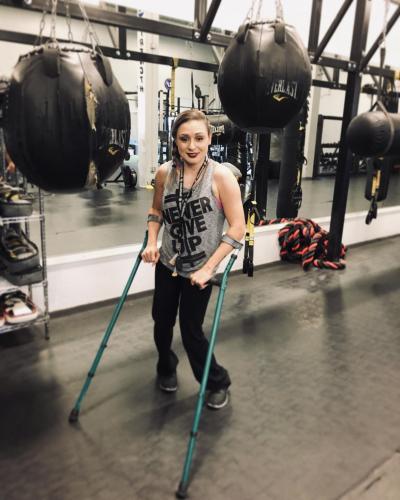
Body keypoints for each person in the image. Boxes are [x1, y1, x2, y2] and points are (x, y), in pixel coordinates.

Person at [142, 109, 245, 410]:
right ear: (175, 140)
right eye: (184, 138)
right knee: (161, 322)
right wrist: (152, 241)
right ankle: (165, 365)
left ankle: (216, 382)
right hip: (168, 263)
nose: (192, 146)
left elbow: (237, 228)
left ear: (210, 138)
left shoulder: (222, 177)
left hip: (200, 269)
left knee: (191, 331)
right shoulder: (165, 174)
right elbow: (156, 211)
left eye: (199, 138)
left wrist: (209, 269)